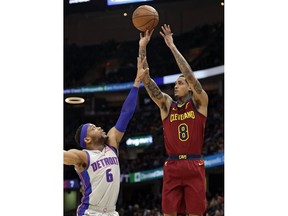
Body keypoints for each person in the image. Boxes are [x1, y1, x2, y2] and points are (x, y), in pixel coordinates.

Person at [63, 56, 148, 216]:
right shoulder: (83, 156)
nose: (99, 127)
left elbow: (126, 113)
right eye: (93, 128)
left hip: (111, 212)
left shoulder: (112, 144)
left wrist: (137, 81)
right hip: (90, 212)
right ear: (87, 139)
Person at [138, 24, 209, 216]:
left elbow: (190, 76)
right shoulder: (166, 105)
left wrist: (171, 46)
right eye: (175, 83)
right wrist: (142, 46)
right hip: (172, 165)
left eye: (180, 83)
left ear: (189, 87)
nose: (175, 86)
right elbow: (146, 79)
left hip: (194, 164)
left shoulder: (200, 102)